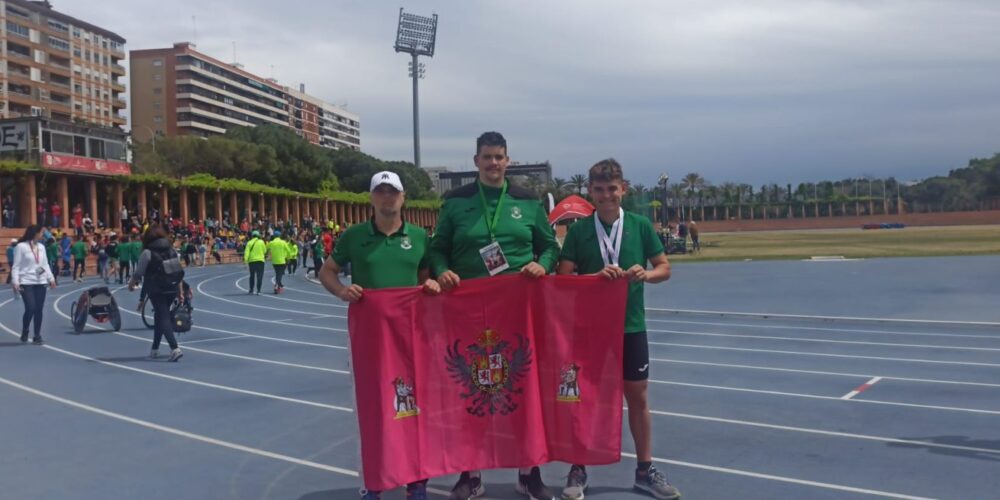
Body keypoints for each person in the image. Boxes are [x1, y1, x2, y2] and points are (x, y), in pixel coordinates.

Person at [428, 131, 559, 500]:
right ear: (476, 161)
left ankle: (529, 471)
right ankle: (469, 474)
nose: (493, 163)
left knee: (523, 385)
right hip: (467, 310)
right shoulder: (455, 202)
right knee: (469, 388)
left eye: (499, 157)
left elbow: (549, 246)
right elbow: (438, 250)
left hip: (518, 307)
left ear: (508, 160)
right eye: (486, 157)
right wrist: (441, 271)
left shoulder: (527, 200)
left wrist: (542, 265)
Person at [557, 159, 679, 500]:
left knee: (638, 398)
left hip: (631, 326)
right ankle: (579, 467)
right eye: (599, 189)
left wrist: (645, 274)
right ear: (590, 192)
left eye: (612, 188)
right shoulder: (579, 231)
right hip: (590, 330)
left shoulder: (640, 226)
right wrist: (591, 279)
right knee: (585, 400)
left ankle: (644, 469)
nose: (607, 195)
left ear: (622, 189)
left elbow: (665, 268)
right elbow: (564, 278)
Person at [319, 171, 440, 500]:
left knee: (415, 409)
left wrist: (431, 287)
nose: (387, 198)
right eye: (381, 192)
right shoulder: (354, 236)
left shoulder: (419, 237)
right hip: (370, 338)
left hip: (411, 338)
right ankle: (373, 483)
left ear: (403, 198)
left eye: (393, 192)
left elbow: (427, 279)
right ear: (372, 198)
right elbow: (326, 271)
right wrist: (342, 291)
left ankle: (416, 483)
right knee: (373, 410)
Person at [128, 225, 184, 362]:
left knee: (163, 315)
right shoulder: (171, 250)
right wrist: (180, 291)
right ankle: (155, 349)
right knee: (160, 315)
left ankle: (174, 348)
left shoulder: (147, 253)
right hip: (172, 287)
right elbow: (178, 272)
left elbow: (139, 273)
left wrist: (131, 283)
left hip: (157, 289)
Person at [11, 225, 57, 344]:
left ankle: (37, 335)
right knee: (30, 307)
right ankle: (25, 329)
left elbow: (45, 265)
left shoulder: (41, 247)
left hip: (40, 282)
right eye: (42, 233)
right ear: (35, 233)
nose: (43, 235)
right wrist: (15, 281)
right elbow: (15, 266)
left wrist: (51, 279)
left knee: (39, 309)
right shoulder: (21, 247)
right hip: (26, 282)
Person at [244, 230, 266, 295]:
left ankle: (251, 289)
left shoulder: (249, 242)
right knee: (260, 276)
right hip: (260, 261)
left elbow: (246, 252)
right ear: (258, 235)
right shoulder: (261, 242)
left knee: (252, 276)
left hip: (252, 261)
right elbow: (264, 251)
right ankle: (258, 290)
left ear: (252, 236)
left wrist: (245, 261)